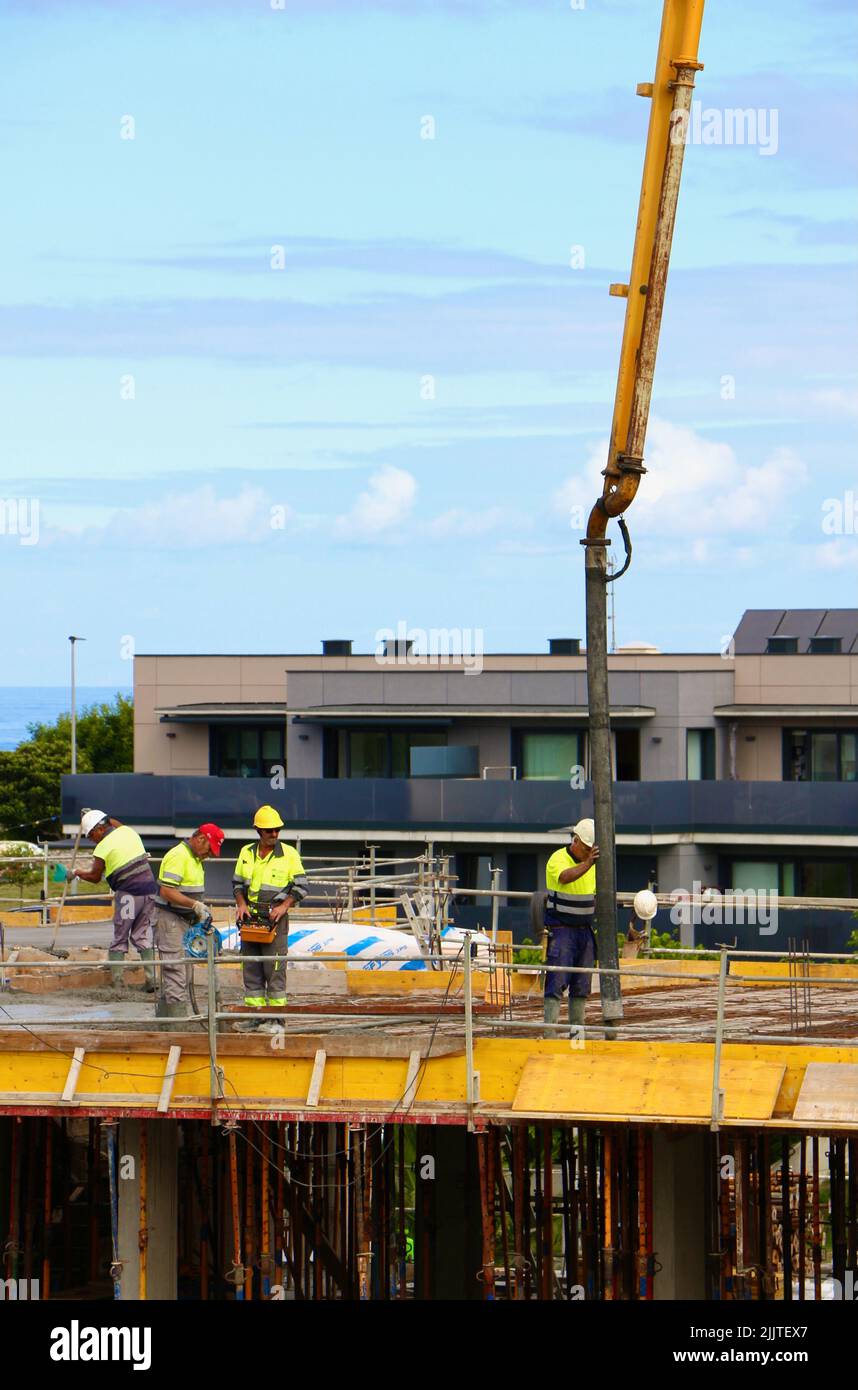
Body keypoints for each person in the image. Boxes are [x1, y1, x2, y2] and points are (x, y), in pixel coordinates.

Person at [232, 805, 309, 1027]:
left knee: (274, 970)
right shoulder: (246, 853)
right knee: (252, 969)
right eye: (269, 831)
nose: (274, 834)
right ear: (258, 831)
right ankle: (256, 1017)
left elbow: (302, 887)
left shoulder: (289, 855)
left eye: (277, 830)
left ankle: (276, 1020)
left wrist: (284, 906)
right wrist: (241, 904)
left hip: (275, 920)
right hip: (250, 920)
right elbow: (237, 884)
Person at [71, 809, 158, 992]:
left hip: (128, 895)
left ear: (100, 829)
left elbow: (95, 877)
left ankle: (117, 983)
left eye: (91, 834)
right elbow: (113, 822)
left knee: (120, 937)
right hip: (149, 891)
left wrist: (78, 873)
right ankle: (152, 981)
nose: (91, 839)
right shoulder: (128, 832)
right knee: (142, 935)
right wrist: (95, 813)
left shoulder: (102, 848)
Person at [153, 823, 224, 1021]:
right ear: (201, 839)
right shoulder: (178, 856)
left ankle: (173, 1020)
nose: (209, 855)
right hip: (171, 920)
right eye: (209, 850)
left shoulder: (194, 859)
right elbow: (166, 891)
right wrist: (194, 905)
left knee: (184, 971)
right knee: (175, 971)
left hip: (185, 921)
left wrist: (198, 912)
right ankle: (176, 1025)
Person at [543, 818, 600, 1037]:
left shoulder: (591, 864)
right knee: (557, 980)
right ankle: (549, 1035)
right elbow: (565, 878)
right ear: (575, 841)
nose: (588, 854)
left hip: (584, 930)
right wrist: (588, 864)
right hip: (562, 928)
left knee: (581, 984)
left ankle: (577, 1037)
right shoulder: (558, 858)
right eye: (586, 850)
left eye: (590, 851)